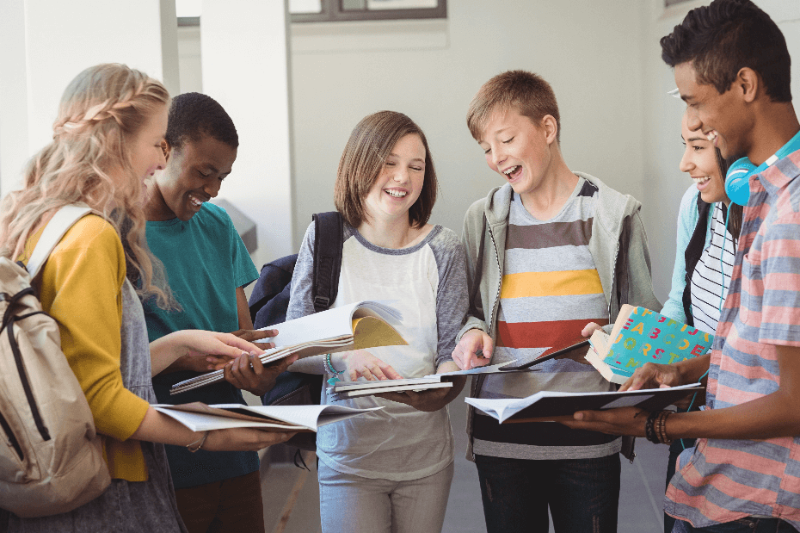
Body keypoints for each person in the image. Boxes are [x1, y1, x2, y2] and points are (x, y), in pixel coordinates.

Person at [0, 64, 293, 532]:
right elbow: (99, 398)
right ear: (118, 139)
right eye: (159, 142)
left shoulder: (34, 220)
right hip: (103, 482)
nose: (159, 158)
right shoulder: (91, 235)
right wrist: (205, 432)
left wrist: (180, 344)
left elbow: (82, 369)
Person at [562, 1, 800, 531]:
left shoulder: (790, 213)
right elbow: (753, 354)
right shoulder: (762, 195)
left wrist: (659, 426)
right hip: (721, 489)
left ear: (745, 85)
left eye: (695, 104)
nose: (692, 123)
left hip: (760, 506)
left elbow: (794, 401)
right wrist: (682, 370)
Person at [451, 69, 660, 533]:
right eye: (486, 148)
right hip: (502, 440)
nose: (495, 157)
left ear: (547, 129)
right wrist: (470, 334)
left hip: (588, 438)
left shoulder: (612, 213)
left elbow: (647, 323)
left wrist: (620, 344)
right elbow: (465, 313)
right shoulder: (481, 218)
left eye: (505, 139)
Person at [286, 111, 469, 533]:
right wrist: (342, 359)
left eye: (415, 166)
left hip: (426, 459)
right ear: (360, 163)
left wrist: (443, 386)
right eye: (389, 162)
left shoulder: (444, 247)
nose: (402, 177)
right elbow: (291, 345)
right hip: (348, 457)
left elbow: (448, 351)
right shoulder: (327, 240)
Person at [143, 92, 294, 533]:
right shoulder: (115, 238)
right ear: (163, 151)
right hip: (166, 454)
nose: (212, 190)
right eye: (204, 172)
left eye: (223, 176)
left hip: (236, 451)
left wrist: (262, 370)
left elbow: (243, 339)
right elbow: (113, 362)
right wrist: (190, 356)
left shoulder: (218, 226)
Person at [658, 112, 741, 533]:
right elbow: (679, 301)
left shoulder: (774, 224)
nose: (684, 164)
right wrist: (633, 346)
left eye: (697, 147)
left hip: (744, 424)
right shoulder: (696, 204)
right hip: (696, 413)